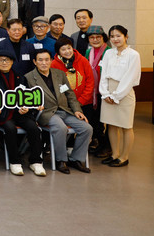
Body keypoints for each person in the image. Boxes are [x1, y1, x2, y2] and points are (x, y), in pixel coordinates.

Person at [24, 49, 92, 174]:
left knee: (87, 128)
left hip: (65, 110)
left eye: (47, 60)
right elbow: (27, 99)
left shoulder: (59, 74)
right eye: (40, 60)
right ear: (34, 62)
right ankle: (61, 160)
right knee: (61, 128)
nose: (44, 63)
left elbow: (70, 94)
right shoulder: (29, 78)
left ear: (51, 60)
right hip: (46, 113)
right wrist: (35, 106)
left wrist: (77, 110)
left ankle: (76, 159)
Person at [0, 50, 45, 176]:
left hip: (20, 113)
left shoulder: (20, 77)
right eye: (0, 60)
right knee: (10, 129)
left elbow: (26, 97)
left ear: (12, 62)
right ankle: (14, 162)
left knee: (34, 128)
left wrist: (27, 107)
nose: (3, 63)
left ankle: (36, 161)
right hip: (1, 114)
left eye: (6, 60)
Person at [99, 25, 140, 168]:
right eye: (112, 36)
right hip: (108, 92)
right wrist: (105, 93)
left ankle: (124, 157)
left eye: (118, 36)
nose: (115, 39)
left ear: (126, 36)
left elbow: (130, 78)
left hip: (124, 93)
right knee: (111, 124)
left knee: (126, 126)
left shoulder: (133, 55)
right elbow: (103, 74)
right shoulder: (108, 53)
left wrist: (116, 96)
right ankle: (114, 154)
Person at [84, 25, 112, 157]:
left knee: (107, 121)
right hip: (92, 92)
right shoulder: (88, 52)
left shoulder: (109, 52)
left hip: (105, 92)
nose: (95, 40)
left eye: (98, 37)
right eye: (92, 37)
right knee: (95, 121)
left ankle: (108, 146)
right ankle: (100, 144)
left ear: (103, 38)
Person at [51, 36, 95, 116]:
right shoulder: (54, 64)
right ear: (58, 52)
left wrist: (81, 101)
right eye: (63, 49)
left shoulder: (82, 60)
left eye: (69, 48)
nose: (67, 51)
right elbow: (56, 86)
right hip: (66, 105)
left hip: (85, 102)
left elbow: (90, 81)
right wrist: (70, 103)